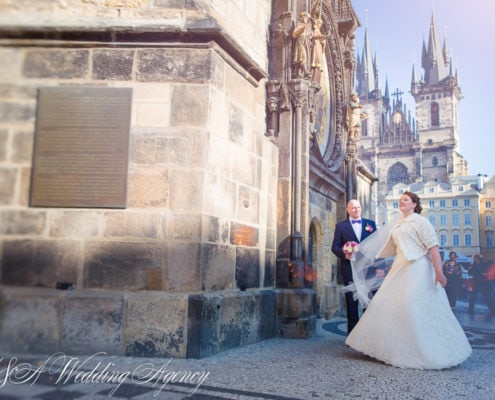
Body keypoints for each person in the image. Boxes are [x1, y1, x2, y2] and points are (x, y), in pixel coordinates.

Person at [345, 191, 472, 369]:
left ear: (414, 204)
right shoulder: (397, 224)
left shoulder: (420, 221)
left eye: (405, 200)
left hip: (418, 267)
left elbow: (433, 246)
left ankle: (427, 350)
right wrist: (357, 251)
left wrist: (438, 271)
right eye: (400, 200)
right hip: (400, 266)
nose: (401, 202)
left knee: (413, 305)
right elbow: (382, 245)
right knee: (388, 305)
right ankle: (390, 348)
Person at [331, 199, 377, 334]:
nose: (356, 210)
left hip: (368, 269)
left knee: (369, 301)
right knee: (351, 302)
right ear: (347, 210)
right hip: (349, 269)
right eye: (353, 208)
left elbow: (377, 245)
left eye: (358, 207)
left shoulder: (371, 224)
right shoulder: (341, 226)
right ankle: (352, 335)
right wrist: (344, 255)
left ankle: (369, 334)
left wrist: (379, 267)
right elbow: (335, 246)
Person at [467, 254, 495, 318]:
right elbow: (470, 273)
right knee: (472, 297)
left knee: (488, 297)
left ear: (478, 258)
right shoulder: (473, 265)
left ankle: (493, 310)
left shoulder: (483, 264)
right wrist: (470, 269)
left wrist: (475, 272)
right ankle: (471, 310)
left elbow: (484, 272)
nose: (474, 259)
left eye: (475, 258)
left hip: (484, 283)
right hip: (476, 283)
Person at [292, 12, 311, 78]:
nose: (307, 20)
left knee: (300, 58)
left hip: (304, 44)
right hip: (299, 43)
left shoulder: (306, 27)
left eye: (307, 19)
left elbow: (307, 36)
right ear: (303, 17)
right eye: (306, 18)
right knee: (303, 57)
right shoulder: (299, 25)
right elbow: (294, 34)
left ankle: (296, 72)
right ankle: (305, 71)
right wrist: (301, 29)